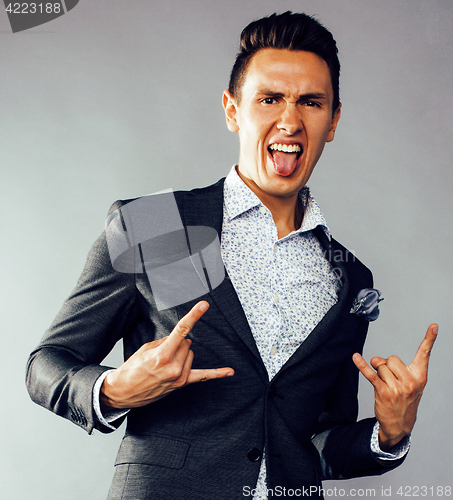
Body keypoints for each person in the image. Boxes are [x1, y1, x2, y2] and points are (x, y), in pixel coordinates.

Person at [26, 12, 437, 500]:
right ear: (232, 110)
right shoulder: (162, 226)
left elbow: (317, 440)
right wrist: (113, 389)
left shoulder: (348, 278)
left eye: (311, 101)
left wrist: (388, 435)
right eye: (269, 98)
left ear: (333, 121)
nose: (290, 119)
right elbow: (47, 364)